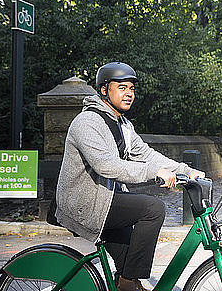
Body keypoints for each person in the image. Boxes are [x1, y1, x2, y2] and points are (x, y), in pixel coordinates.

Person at [54, 62, 205, 291]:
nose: (129, 94)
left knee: (128, 264)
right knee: (152, 209)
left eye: (132, 89)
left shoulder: (123, 124)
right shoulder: (86, 123)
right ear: (104, 90)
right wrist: (154, 173)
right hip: (85, 203)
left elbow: (145, 154)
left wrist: (184, 170)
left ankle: (129, 282)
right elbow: (107, 166)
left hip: (106, 200)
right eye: (122, 87)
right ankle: (128, 284)